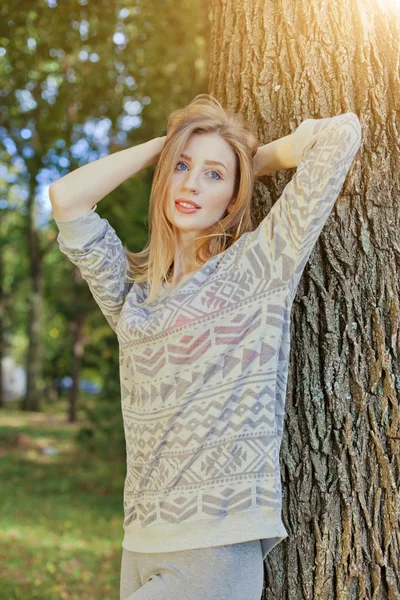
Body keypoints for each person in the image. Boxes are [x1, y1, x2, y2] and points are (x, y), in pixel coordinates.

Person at [50, 94, 362, 600]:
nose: (192, 183)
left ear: (234, 196)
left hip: (212, 552)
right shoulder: (133, 294)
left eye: (214, 175)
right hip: (139, 546)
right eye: (182, 167)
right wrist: (164, 147)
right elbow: (67, 198)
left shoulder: (258, 268)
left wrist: (250, 164)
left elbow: (341, 133)